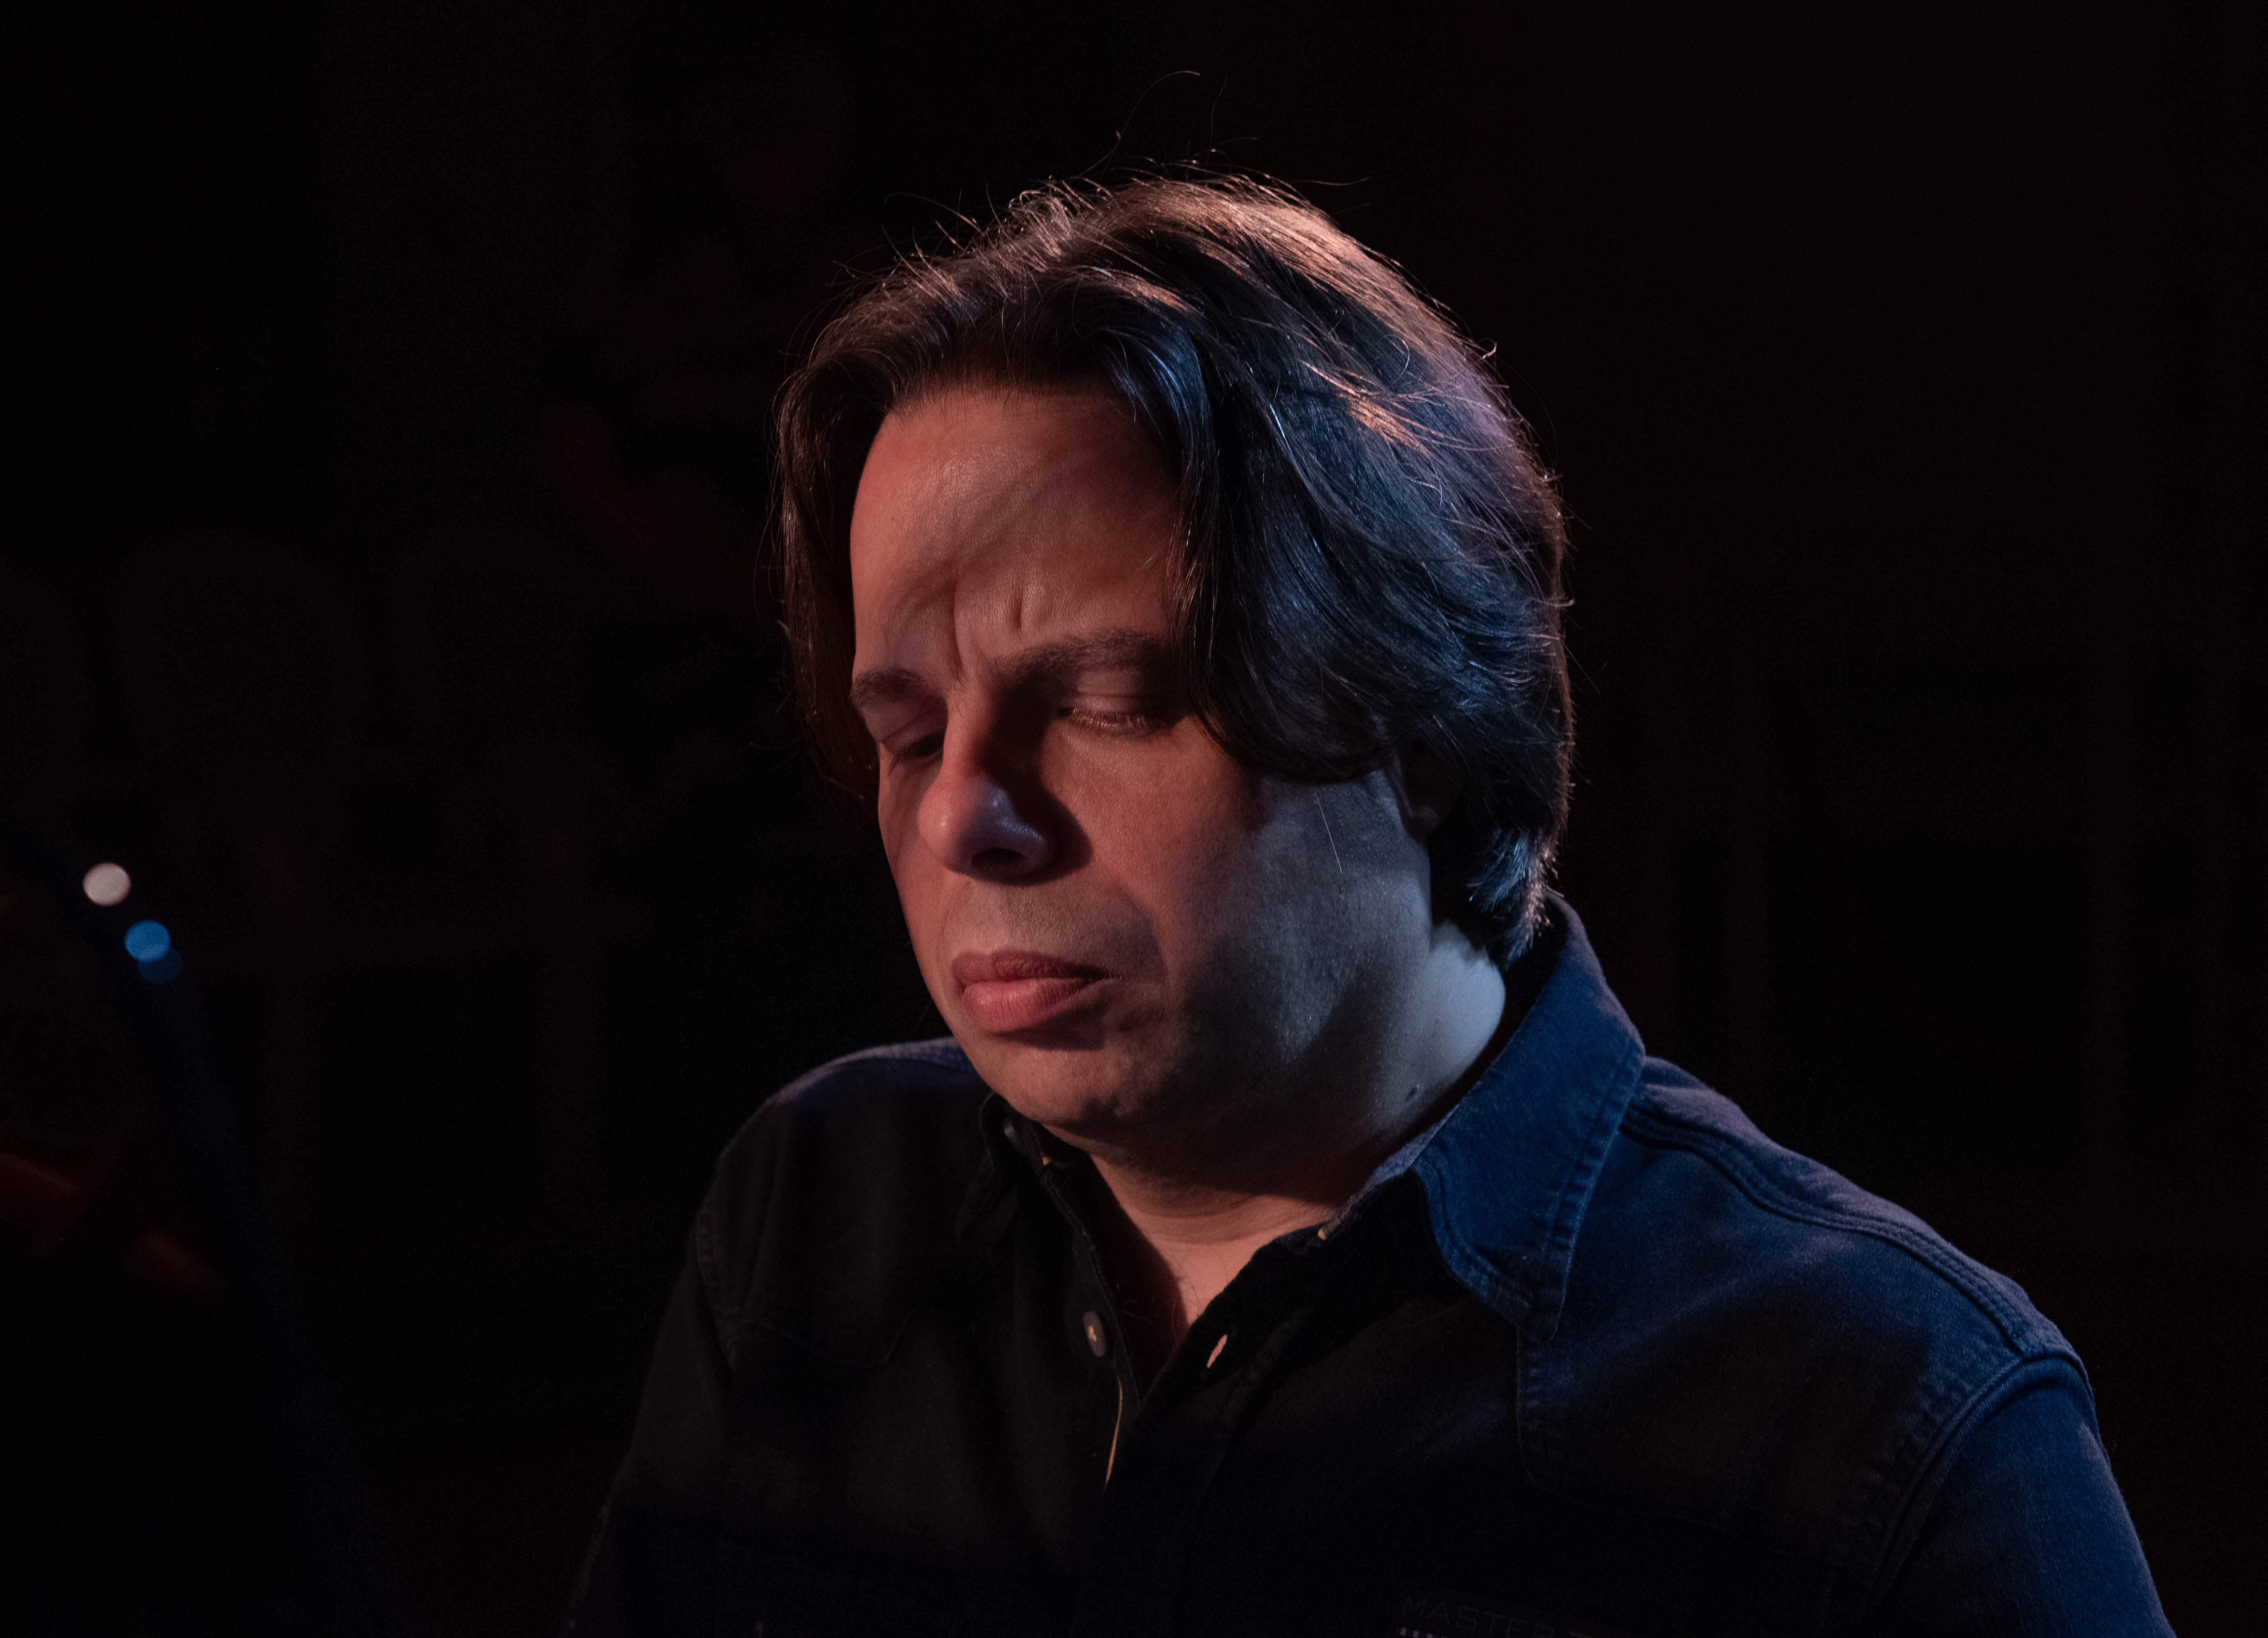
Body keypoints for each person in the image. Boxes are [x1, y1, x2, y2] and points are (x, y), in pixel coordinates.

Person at [566, 176, 2170, 1636]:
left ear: (1421, 729)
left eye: (1108, 703)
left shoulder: (1879, 1420)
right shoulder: (819, 1214)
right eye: (910, 733)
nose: (959, 817)